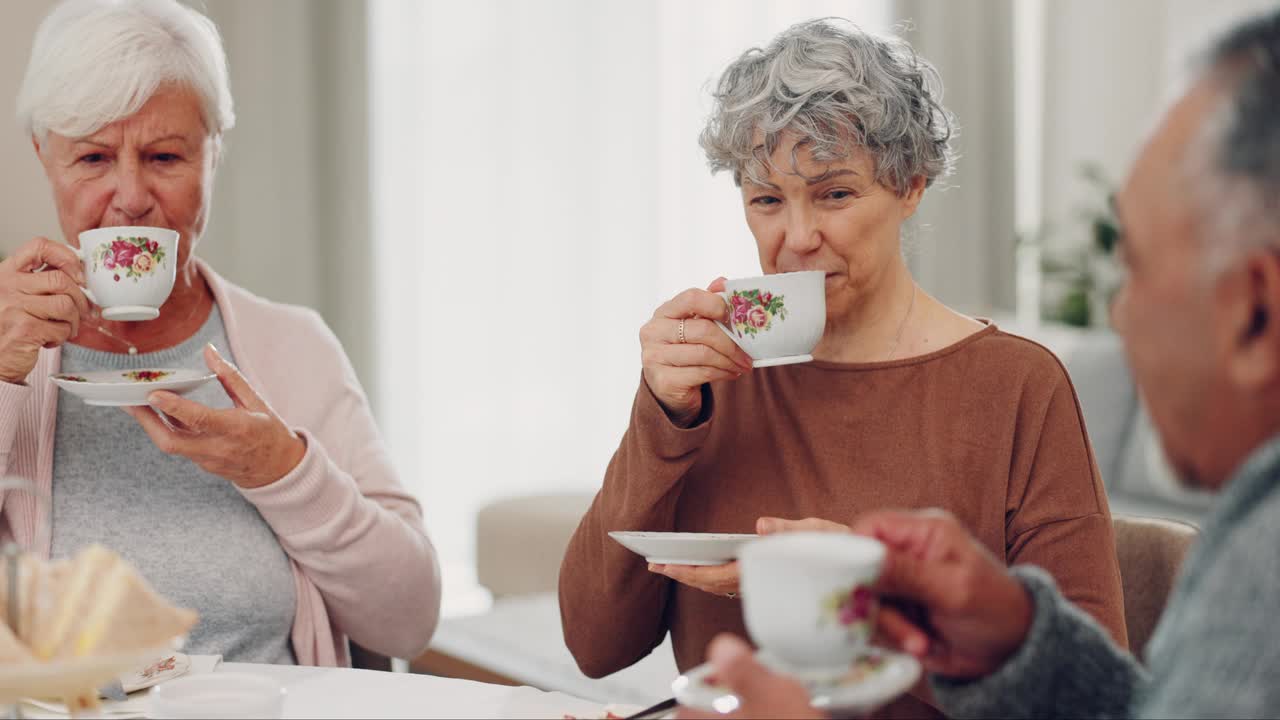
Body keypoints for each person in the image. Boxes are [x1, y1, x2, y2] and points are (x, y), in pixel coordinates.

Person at [683, 9, 1280, 719]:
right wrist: (1019, 643)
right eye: (767, 199)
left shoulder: (1262, 569)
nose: (1115, 317)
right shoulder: (1255, 520)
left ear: (1256, 312)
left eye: (1137, 269)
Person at [560, 19, 1126, 716]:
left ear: (911, 186)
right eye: (767, 200)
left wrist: (860, 585)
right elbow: (594, 645)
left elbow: (1084, 699)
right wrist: (662, 415)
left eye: (834, 194)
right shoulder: (715, 380)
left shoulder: (1017, 388)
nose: (796, 239)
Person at [0, 0, 440, 665]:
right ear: (44, 157)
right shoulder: (5, 340)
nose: (131, 197)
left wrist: (285, 471)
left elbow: (410, 621)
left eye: (165, 156)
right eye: (92, 158)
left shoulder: (294, 348)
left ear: (214, 154)